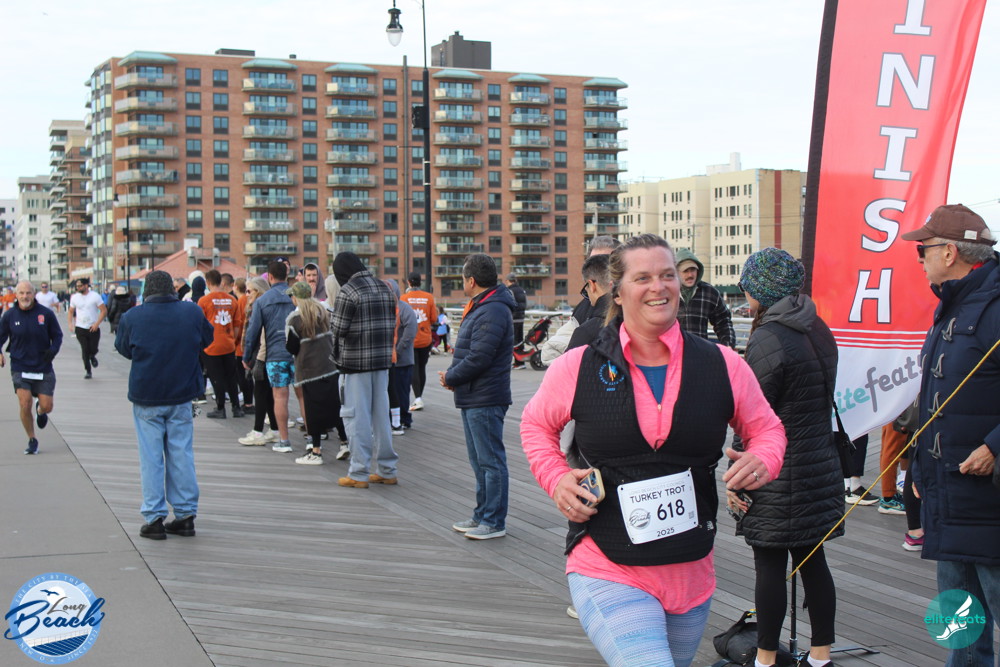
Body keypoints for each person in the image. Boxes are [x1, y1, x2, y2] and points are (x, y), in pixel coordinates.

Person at [521, 234, 786, 666]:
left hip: (690, 570)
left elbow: (768, 430)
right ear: (618, 292)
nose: (658, 287)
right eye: (642, 277)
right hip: (607, 562)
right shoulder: (579, 365)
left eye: (667, 275)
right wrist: (556, 479)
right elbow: (536, 425)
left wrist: (764, 458)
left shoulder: (723, 364)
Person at [727, 247, 842, 667]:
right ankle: (821, 656)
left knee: (770, 565)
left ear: (761, 290)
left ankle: (766, 659)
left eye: (747, 286)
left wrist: (736, 476)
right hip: (819, 465)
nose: (745, 293)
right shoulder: (818, 328)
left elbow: (751, 415)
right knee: (814, 561)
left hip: (773, 469)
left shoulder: (768, 337)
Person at [901, 203, 1000, 666]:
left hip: (986, 498)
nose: (919, 258)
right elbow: (934, 399)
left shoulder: (994, 305)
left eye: (923, 249)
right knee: (958, 620)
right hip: (947, 490)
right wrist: (921, 469)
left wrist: (994, 447)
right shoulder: (953, 304)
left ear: (949, 252)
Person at [114, 270, 214, 540]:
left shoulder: (132, 317)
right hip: (181, 393)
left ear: (147, 291)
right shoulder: (191, 312)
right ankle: (185, 515)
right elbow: (208, 340)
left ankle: (154, 517)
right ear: (172, 289)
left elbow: (124, 348)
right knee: (181, 454)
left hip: (147, 394)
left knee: (151, 458)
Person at [441, 254, 516, 540]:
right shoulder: (484, 306)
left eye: (463, 279)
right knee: (480, 461)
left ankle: (494, 521)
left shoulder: (492, 309)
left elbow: (479, 357)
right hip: (475, 394)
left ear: (471, 281)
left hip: (486, 396)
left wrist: (451, 377)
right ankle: (482, 514)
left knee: (490, 461)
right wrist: (456, 378)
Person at [331, 252, 399, 488]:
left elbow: (338, 330)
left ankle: (358, 473)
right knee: (381, 418)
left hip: (355, 365)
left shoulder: (348, 291)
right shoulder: (384, 287)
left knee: (356, 418)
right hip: (382, 363)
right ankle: (387, 470)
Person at [284, 281, 344, 465]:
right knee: (335, 407)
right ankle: (345, 442)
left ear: (296, 298)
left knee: (312, 412)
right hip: (330, 367)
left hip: (310, 371)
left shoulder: (296, 320)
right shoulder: (323, 313)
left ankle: (315, 452)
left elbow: (292, 347)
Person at [0, 281, 62, 455]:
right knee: (24, 402)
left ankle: (40, 410)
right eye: (21, 293)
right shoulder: (10, 315)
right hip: (20, 365)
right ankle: (32, 439)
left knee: (47, 406)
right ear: (16, 295)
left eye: (28, 293)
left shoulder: (46, 314)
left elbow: (57, 336)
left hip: (42, 365)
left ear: (34, 294)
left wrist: (53, 351)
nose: (25, 296)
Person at [242, 261, 297, 453]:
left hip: (275, 354)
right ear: (287, 276)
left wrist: (247, 356)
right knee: (303, 397)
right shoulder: (295, 296)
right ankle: (312, 442)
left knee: (280, 397)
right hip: (299, 354)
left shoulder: (262, 301)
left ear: (270, 277)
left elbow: (253, 332)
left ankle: (283, 440)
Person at [540, 235, 620, 366]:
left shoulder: (637, 309)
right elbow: (552, 350)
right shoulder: (583, 309)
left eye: (607, 261)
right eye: (594, 262)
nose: (602, 268)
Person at [238, 278, 280, 446]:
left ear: (258, 291)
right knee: (267, 393)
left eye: (249, 291)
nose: (246, 294)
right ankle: (275, 429)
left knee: (260, 392)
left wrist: (247, 356)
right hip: (268, 351)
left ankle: (257, 431)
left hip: (260, 353)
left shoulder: (257, 306)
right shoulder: (268, 305)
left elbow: (252, 334)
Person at [198, 270, 244, 419]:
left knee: (216, 377)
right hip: (228, 343)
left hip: (211, 345)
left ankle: (220, 408)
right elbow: (237, 323)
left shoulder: (204, 301)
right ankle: (236, 407)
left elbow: (201, 324)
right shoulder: (232, 299)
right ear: (221, 282)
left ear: (208, 282)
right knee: (231, 376)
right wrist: (232, 339)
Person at [674, 249, 736, 348]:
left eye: (693, 270)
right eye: (685, 271)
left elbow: (723, 322)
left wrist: (728, 346)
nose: (690, 275)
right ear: (676, 272)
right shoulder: (668, 293)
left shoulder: (709, 292)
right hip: (673, 352)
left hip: (700, 352)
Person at [400, 271, 437, 412]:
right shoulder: (429, 297)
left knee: (414, 368)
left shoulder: (404, 298)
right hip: (425, 338)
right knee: (422, 368)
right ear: (420, 282)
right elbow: (433, 318)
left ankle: (417, 398)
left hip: (410, 339)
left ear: (409, 282)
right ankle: (419, 396)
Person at [385, 279, 416, 433]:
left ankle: (404, 419)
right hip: (387, 361)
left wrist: (397, 350)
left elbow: (410, 332)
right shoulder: (383, 308)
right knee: (389, 392)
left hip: (403, 361)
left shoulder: (405, 309)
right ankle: (392, 419)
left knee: (402, 391)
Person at [567, 253, 613, 350]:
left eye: (586, 287)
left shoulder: (587, 332)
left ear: (592, 285)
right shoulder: (635, 320)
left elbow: (569, 359)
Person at [67, 278, 107, 379]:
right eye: (77, 286)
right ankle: (88, 370)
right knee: (84, 349)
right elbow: (71, 311)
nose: (78, 288)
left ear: (86, 286)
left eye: (80, 286)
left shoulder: (95, 296)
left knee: (93, 348)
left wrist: (97, 324)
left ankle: (92, 356)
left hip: (93, 327)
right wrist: (70, 324)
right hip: (80, 327)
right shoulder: (75, 297)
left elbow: (103, 311)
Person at [505, 271, 528, 349]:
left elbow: (508, 304)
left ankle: (514, 354)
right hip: (521, 318)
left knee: (512, 340)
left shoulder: (509, 291)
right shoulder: (522, 290)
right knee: (520, 339)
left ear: (508, 280)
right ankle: (520, 355)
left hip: (513, 318)